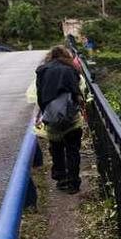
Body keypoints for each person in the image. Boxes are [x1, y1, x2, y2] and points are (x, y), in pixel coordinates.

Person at [34, 45, 84, 194]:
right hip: (71, 119)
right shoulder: (71, 69)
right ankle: (74, 184)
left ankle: (61, 179)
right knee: (73, 150)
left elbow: (40, 96)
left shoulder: (42, 71)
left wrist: (44, 115)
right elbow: (77, 93)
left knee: (56, 149)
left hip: (52, 118)